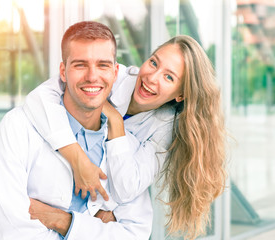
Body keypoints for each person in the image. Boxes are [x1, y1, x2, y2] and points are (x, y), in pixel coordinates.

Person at [24, 35, 227, 239]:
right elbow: (38, 99)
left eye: (169, 77)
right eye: (154, 62)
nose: (151, 78)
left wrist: (115, 122)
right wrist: (78, 160)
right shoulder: (113, 74)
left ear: (180, 95)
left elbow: (127, 188)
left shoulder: (166, 128)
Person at [0, 21, 153, 240]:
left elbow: (135, 233)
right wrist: (96, 227)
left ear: (115, 73)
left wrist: (60, 220)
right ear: (63, 72)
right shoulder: (17, 127)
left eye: (103, 65)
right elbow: (10, 229)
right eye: (80, 65)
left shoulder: (126, 145)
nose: (92, 76)